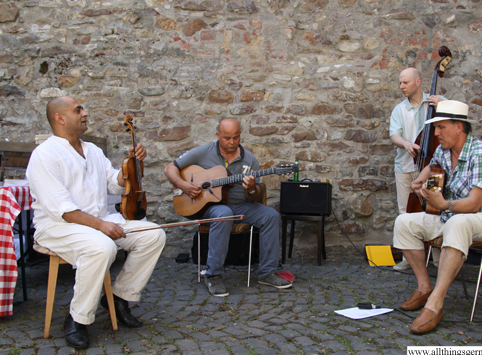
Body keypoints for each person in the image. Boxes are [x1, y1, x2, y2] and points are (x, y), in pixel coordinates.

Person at [27, 96, 166, 349]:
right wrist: (101, 227)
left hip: (98, 220)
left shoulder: (92, 150)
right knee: (102, 247)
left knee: (153, 233)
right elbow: (64, 210)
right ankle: (77, 319)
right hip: (58, 227)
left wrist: (133, 164)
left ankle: (119, 296)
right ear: (60, 118)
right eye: (78, 110)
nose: (85, 113)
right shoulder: (44, 155)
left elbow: (115, 182)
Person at [393, 100, 482, 334]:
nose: (436, 133)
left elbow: (474, 203)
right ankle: (424, 286)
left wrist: (444, 204)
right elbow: (434, 164)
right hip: (453, 216)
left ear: (459, 127)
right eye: (436, 128)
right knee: (404, 221)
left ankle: (436, 302)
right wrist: (419, 181)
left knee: (458, 221)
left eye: (441, 127)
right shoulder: (444, 149)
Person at [164, 118, 292, 297]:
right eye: (226, 138)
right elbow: (170, 168)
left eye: (236, 137)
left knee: (271, 215)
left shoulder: (250, 159)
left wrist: (250, 188)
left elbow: (254, 196)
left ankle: (267, 272)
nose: (232, 142)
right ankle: (213, 275)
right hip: (213, 206)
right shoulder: (203, 152)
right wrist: (183, 185)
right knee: (224, 213)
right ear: (218, 135)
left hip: (242, 206)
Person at [390, 67, 444, 271]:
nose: (402, 86)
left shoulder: (436, 101)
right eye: (400, 83)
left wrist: (445, 105)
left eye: (406, 82)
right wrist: (406, 144)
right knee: (405, 212)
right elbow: (394, 134)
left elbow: (457, 118)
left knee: (434, 210)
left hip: (433, 167)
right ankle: (409, 259)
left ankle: (438, 259)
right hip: (405, 165)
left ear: (418, 82)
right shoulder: (399, 109)